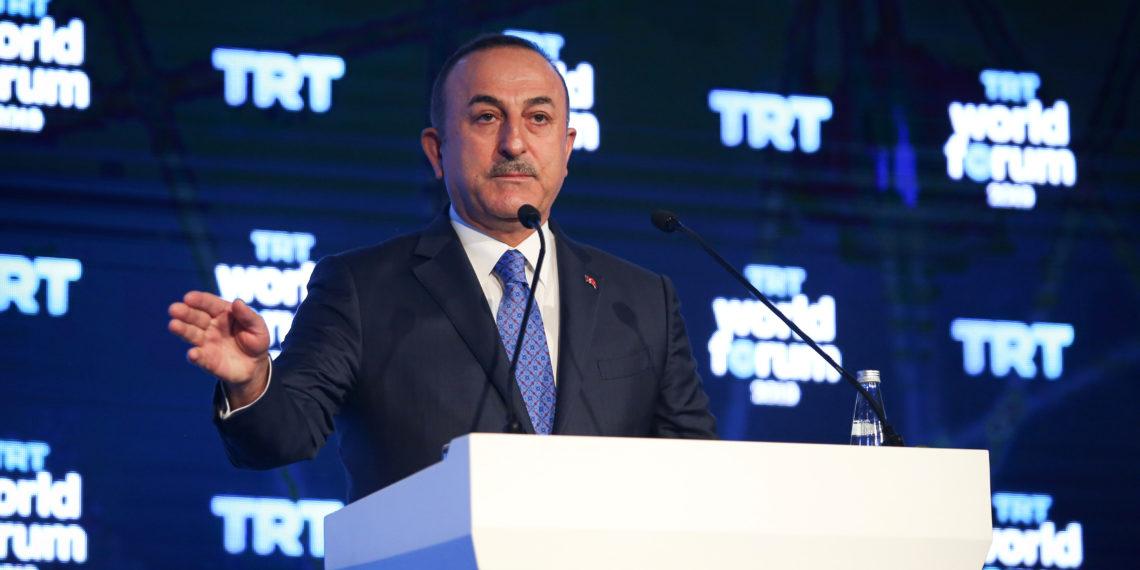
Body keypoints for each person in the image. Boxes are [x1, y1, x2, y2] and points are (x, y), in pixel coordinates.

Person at [167, 34, 716, 502]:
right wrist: (252, 383)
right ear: (436, 150)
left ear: (566, 147)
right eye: (486, 117)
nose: (514, 142)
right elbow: (283, 437)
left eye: (539, 118)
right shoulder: (361, 288)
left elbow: (703, 476)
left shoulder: (641, 300)